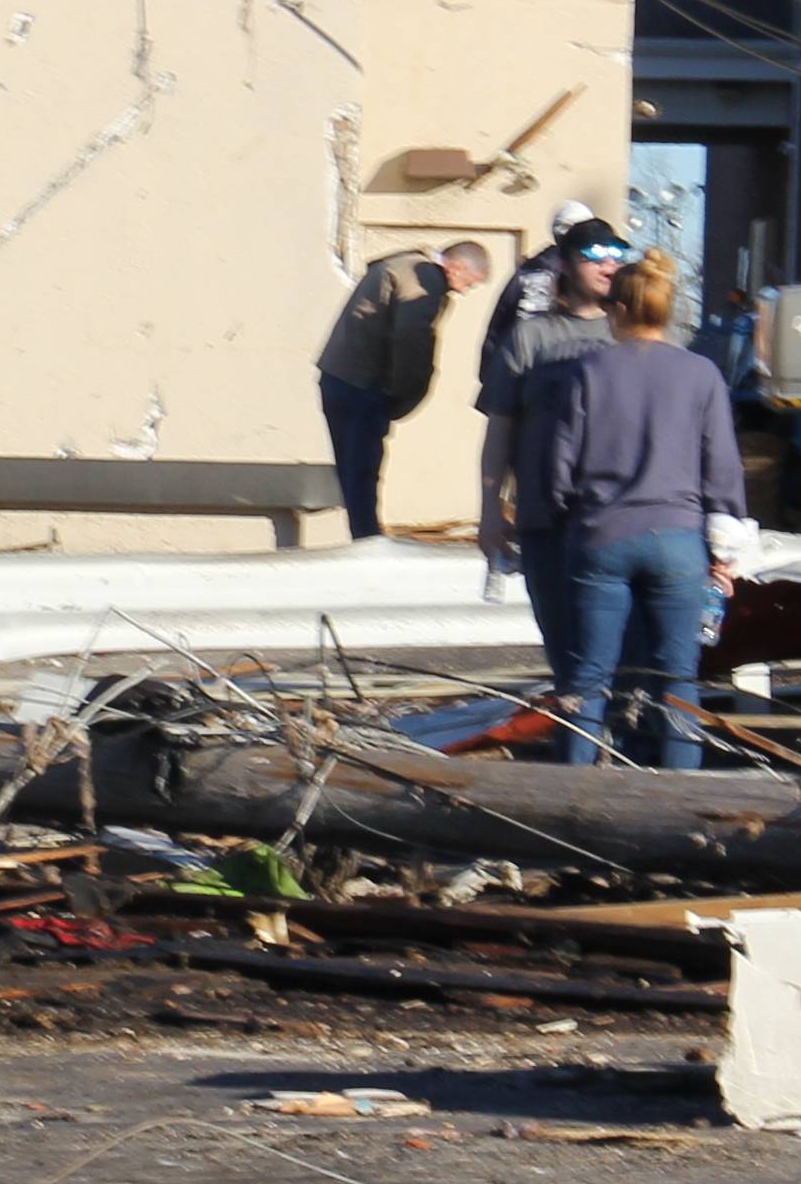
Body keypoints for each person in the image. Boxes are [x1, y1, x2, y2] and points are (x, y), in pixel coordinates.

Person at [517, 250, 747, 769]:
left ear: (618, 310)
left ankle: (577, 793)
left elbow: (560, 466)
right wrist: (726, 552)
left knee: (589, 675)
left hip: (602, 536)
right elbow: (723, 468)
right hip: (680, 541)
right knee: (677, 679)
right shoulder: (702, 374)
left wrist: (558, 517)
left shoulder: (587, 371)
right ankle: (678, 800)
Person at [472, 215, 634, 592]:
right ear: (563, 264)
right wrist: (490, 510)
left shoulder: (634, 336)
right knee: (563, 642)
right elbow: (499, 431)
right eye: (594, 254)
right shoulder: (531, 337)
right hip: (545, 518)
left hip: (620, 519)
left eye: (617, 254)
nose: (608, 264)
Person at [311, 238, 491, 542]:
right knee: (363, 468)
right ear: (456, 266)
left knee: (352, 468)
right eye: (468, 283)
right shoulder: (426, 280)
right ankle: (366, 540)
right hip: (362, 384)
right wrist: (406, 394)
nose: (462, 291)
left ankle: (362, 533)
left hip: (338, 374)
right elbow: (412, 340)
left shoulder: (402, 264)